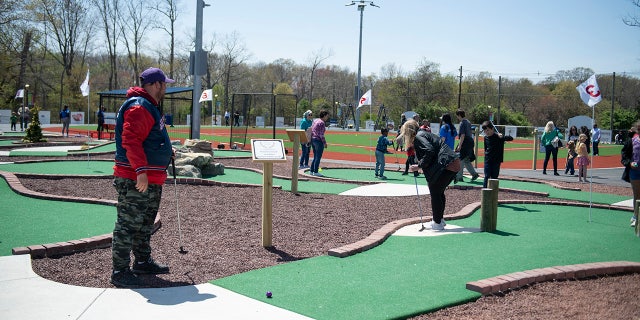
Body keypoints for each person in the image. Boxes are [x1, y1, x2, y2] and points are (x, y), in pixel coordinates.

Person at [110, 67, 175, 288]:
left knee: (144, 223)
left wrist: (165, 150)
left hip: (150, 177)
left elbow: (148, 138)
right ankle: (119, 270)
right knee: (129, 224)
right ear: (156, 84)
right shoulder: (139, 106)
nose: (166, 87)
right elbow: (130, 141)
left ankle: (142, 261)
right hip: (135, 177)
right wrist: (140, 171)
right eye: (164, 84)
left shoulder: (148, 105)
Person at [402, 119, 460, 231]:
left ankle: (437, 222)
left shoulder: (419, 137)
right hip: (452, 162)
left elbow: (429, 150)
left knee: (435, 191)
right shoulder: (423, 134)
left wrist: (419, 165)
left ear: (409, 131)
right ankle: (439, 220)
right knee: (439, 191)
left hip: (447, 163)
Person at [480, 121, 513, 188]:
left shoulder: (498, 137)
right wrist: (486, 156)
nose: (486, 132)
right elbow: (486, 148)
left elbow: (511, 138)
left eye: (488, 130)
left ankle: (493, 192)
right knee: (486, 176)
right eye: (485, 131)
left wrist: (502, 136)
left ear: (492, 129)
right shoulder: (485, 138)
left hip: (496, 161)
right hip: (488, 160)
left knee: (494, 177)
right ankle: (485, 190)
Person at [621, 122, 640, 227]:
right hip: (635, 172)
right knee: (637, 195)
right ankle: (636, 216)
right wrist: (629, 163)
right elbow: (624, 155)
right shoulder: (632, 142)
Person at [454, 109, 479, 183]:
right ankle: (474, 174)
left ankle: (459, 176)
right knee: (466, 159)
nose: (457, 118)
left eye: (457, 116)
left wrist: (460, 145)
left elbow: (462, 135)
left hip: (465, 142)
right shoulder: (468, 122)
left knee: (460, 159)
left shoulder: (462, 123)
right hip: (470, 141)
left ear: (459, 115)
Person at [309, 110, 330, 177]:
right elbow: (321, 134)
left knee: (315, 156)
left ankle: (311, 170)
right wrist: (324, 143)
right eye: (327, 116)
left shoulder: (315, 120)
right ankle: (315, 171)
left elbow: (312, 130)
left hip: (313, 140)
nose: (327, 117)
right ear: (324, 116)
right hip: (318, 141)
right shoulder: (322, 123)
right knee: (318, 157)